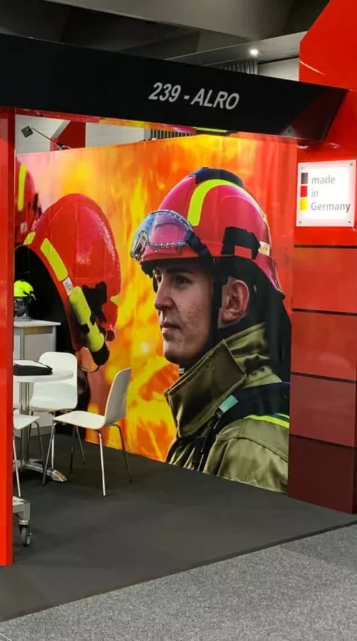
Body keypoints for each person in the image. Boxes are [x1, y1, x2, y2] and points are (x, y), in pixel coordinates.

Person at [131, 168, 291, 493]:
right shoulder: (212, 409)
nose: (159, 301)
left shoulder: (248, 448)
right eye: (158, 279)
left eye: (180, 280)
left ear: (234, 300)